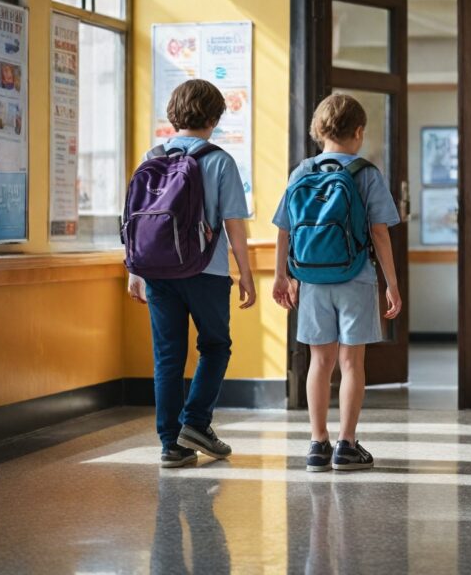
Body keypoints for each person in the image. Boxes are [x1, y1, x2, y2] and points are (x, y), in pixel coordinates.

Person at [127, 79, 256, 468]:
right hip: (207, 271)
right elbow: (234, 224)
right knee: (215, 347)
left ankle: (171, 444)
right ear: (215, 118)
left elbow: (134, 219)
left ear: (173, 114)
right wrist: (245, 273)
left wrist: (134, 270)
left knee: (168, 356)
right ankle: (196, 423)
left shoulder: (152, 156)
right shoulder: (219, 161)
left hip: (156, 271)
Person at [272, 93, 402, 472]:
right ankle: (347, 444)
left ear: (318, 131)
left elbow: (284, 229)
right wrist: (391, 283)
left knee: (319, 361)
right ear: (358, 132)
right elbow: (380, 234)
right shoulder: (366, 173)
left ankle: (317, 444)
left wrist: (284, 274)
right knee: (351, 362)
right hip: (356, 278)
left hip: (311, 279)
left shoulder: (303, 172)